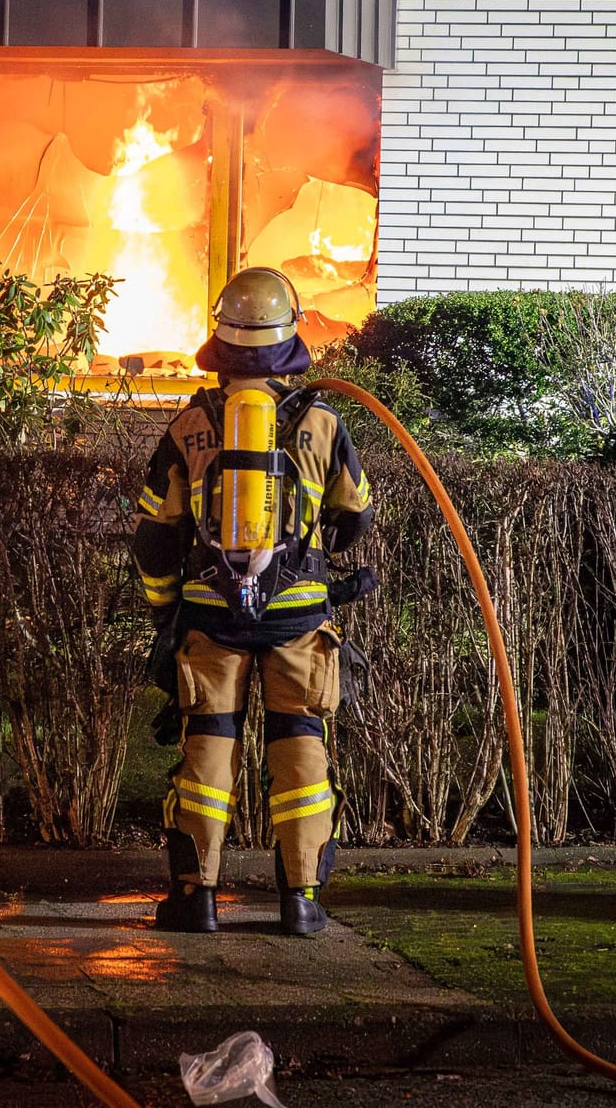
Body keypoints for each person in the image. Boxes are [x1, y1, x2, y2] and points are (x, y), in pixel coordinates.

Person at [133, 267, 375, 936]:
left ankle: (196, 899)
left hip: (210, 617)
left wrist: (166, 615)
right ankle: (301, 902)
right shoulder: (322, 422)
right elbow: (355, 519)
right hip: (298, 619)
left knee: (208, 748)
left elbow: (155, 542)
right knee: (300, 745)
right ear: (289, 338)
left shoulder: (190, 425)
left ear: (221, 339)